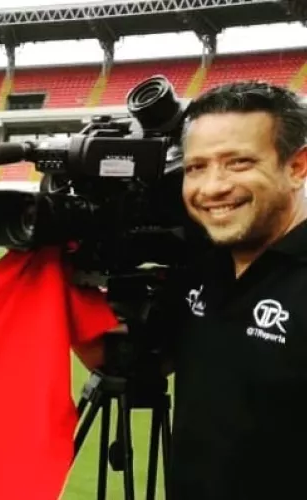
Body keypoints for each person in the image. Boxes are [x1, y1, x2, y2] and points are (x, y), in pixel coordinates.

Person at [73, 80, 307, 499]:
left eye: (238, 163)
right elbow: (132, 362)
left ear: (296, 167)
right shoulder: (201, 265)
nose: (212, 187)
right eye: (196, 167)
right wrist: (62, 279)